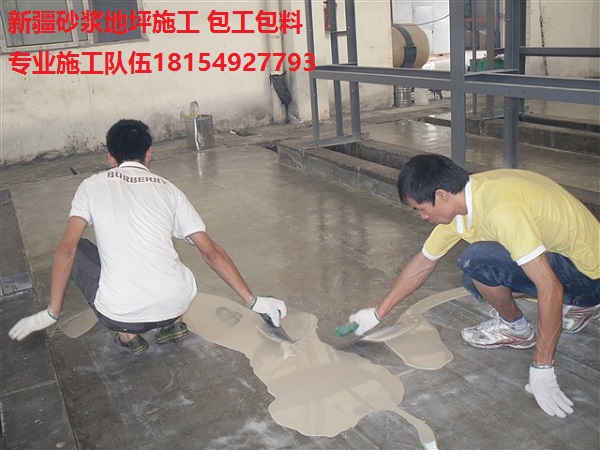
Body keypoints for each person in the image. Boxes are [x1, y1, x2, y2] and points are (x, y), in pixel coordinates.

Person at [348, 153, 599, 418]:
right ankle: (547, 318)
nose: (422, 216)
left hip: (590, 276)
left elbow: (550, 287)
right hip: (573, 261)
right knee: (475, 276)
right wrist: (377, 313)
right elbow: (423, 263)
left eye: (421, 208)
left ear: (442, 195)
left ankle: (574, 304)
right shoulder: (468, 198)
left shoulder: (501, 209)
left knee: (477, 260)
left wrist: (542, 368)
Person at [9, 119, 287, 354]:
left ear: (110, 157)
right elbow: (211, 252)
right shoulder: (169, 190)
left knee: (79, 248)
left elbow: (66, 250)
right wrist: (253, 300)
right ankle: (173, 324)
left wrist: (52, 312)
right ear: (149, 153)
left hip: (120, 313)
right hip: (175, 303)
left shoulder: (91, 187)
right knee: (169, 253)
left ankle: (128, 336)